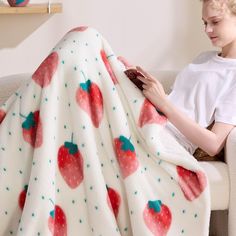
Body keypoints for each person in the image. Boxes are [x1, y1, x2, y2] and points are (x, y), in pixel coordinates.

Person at [135, 0, 236, 157]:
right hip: (147, 119)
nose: (208, 30)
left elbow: (214, 144)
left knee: (88, 38)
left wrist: (163, 103)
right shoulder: (203, 57)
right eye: (205, 23)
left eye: (215, 21)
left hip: (165, 139)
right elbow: (180, 100)